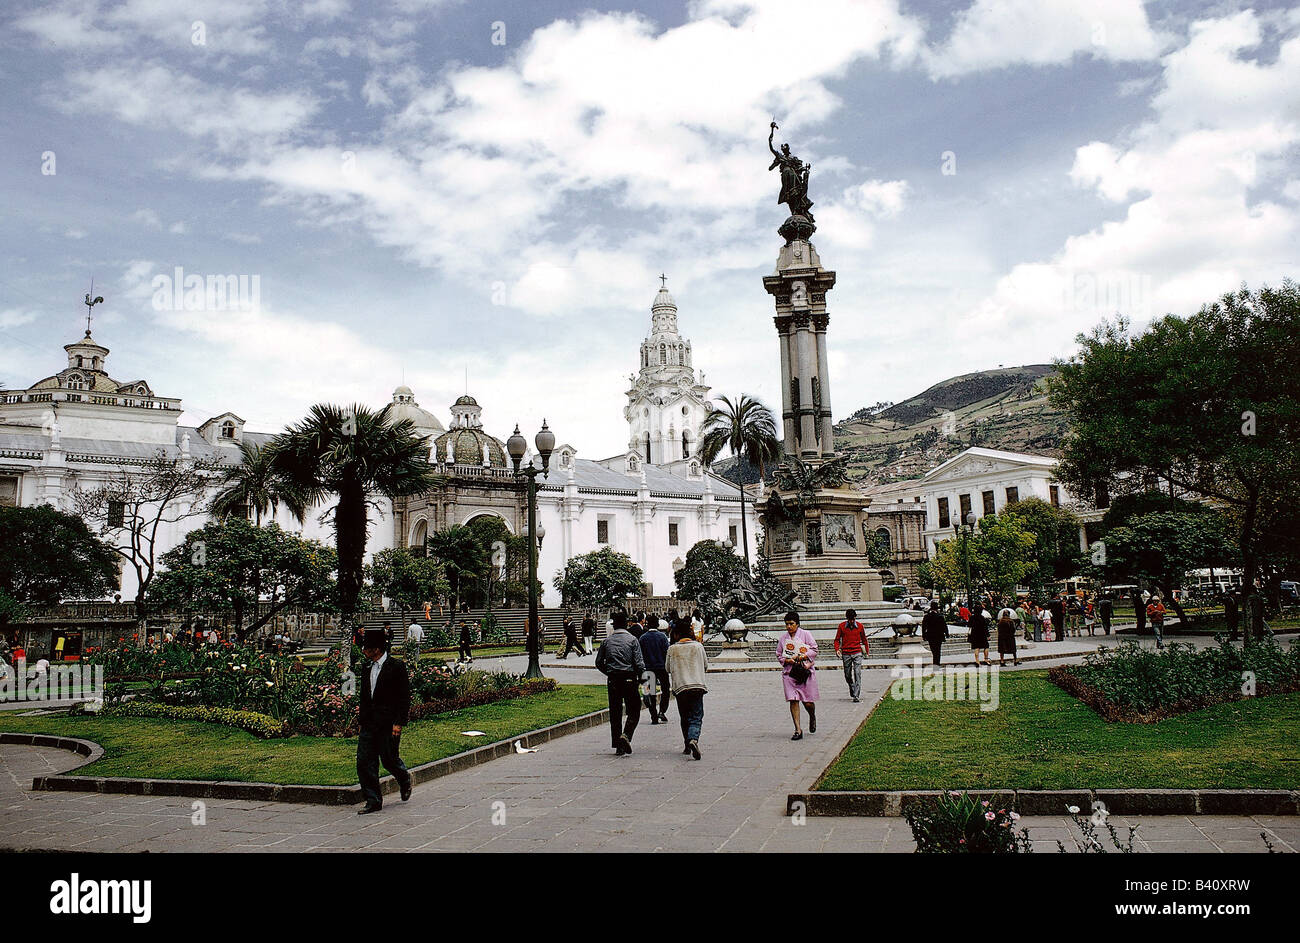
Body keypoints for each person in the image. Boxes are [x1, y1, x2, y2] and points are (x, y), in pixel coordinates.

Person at [355, 628, 412, 814]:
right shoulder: (366, 667)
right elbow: (365, 697)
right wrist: (361, 720)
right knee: (364, 761)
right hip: (369, 723)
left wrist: (399, 723)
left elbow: (404, 697)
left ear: (377, 649)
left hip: (388, 722)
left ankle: (403, 778)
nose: (364, 651)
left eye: (367, 648)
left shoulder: (396, 666)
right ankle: (373, 800)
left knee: (389, 759)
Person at [595, 609, 644, 755]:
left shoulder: (607, 641)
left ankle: (618, 744)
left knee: (615, 712)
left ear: (614, 625)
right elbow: (639, 663)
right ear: (627, 624)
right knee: (634, 710)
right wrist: (643, 679)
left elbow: (598, 662)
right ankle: (626, 735)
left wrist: (609, 671)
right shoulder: (632, 640)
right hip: (629, 678)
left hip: (613, 679)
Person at [666, 622, 708, 759]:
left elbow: (667, 668)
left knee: (684, 716)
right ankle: (693, 739)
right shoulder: (698, 646)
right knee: (696, 715)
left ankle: (687, 744)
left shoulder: (672, 649)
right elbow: (705, 665)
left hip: (681, 687)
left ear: (676, 634)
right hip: (696, 685)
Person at [777, 611, 818, 740]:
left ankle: (812, 715)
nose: (789, 627)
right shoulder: (783, 639)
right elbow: (779, 654)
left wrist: (803, 656)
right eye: (787, 624)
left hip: (803, 671)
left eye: (791, 624)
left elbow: (814, 649)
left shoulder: (806, 635)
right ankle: (798, 729)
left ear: (797, 624)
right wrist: (786, 660)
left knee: (807, 702)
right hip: (789, 673)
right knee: (793, 699)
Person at [638, 615, 671, 723]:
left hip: (648, 668)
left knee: (650, 691)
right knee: (665, 690)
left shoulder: (643, 638)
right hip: (661, 667)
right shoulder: (662, 637)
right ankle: (662, 710)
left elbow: (640, 655)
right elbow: (667, 652)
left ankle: (653, 715)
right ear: (657, 624)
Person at [832, 608, 869, 702]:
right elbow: (837, 640)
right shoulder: (841, 626)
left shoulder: (860, 626)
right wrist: (837, 649)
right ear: (847, 618)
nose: (852, 621)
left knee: (857, 673)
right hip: (846, 653)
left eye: (853, 619)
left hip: (857, 652)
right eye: (850, 619)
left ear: (855, 618)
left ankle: (856, 694)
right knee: (847, 675)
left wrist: (866, 651)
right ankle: (851, 686)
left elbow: (864, 639)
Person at [921, 601, 947, 666]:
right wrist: (946, 633)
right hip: (939, 635)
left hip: (930, 635)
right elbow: (944, 626)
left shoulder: (927, 616)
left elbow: (924, 627)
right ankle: (936, 663)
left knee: (933, 650)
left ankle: (935, 663)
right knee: (938, 650)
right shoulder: (940, 616)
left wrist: (924, 635)